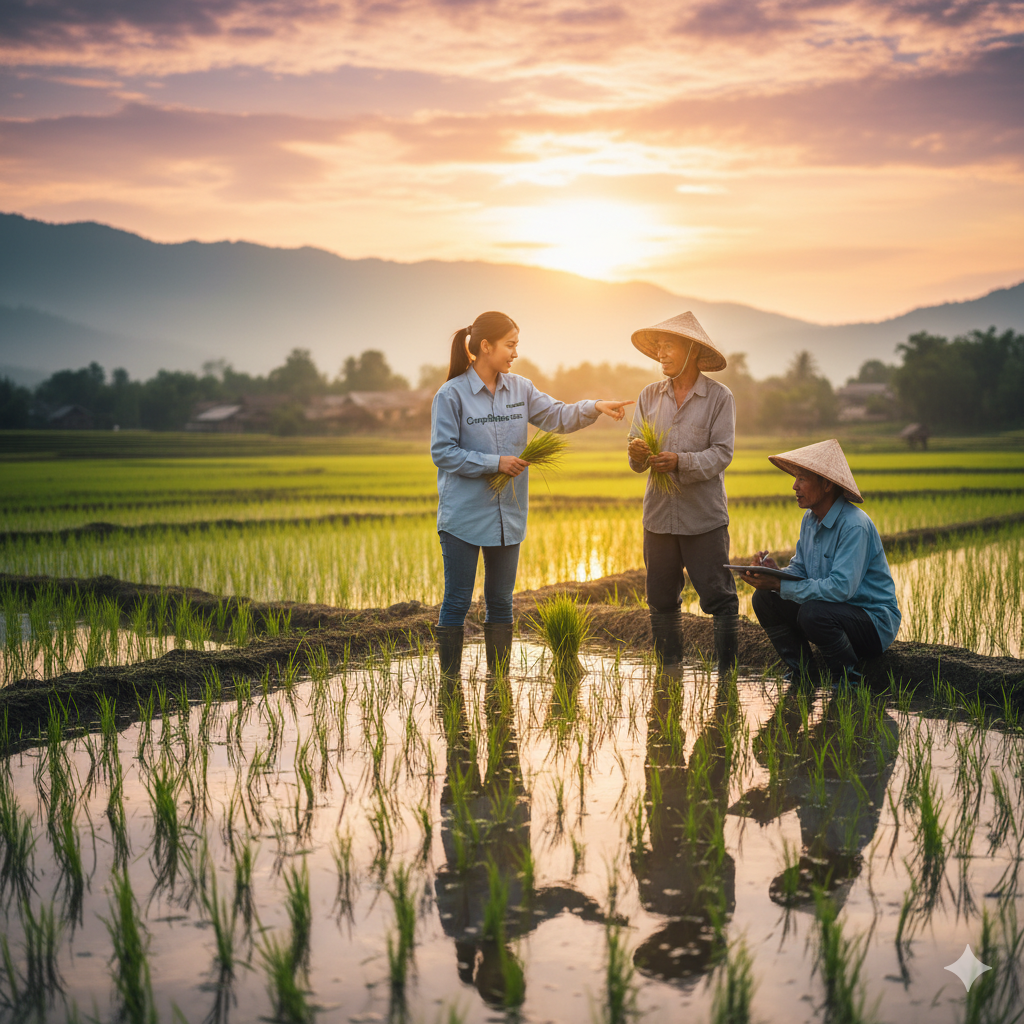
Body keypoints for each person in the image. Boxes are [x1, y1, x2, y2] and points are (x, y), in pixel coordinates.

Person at [431, 310, 632, 675]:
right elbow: (443, 452)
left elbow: (557, 415)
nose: (515, 353)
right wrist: (496, 463)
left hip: (507, 513)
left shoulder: (519, 388)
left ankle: (499, 685)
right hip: (463, 516)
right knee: (457, 601)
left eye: (516, 345)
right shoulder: (452, 395)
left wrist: (595, 407)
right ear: (486, 346)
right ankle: (450, 685)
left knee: (501, 602)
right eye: (510, 345)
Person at [626, 311, 739, 676]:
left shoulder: (719, 398)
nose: (661, 352)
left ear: (692, 350)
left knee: (719, 599)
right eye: (658, 346)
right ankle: (668, 676)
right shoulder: (649, 396)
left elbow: (722, 453)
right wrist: (637, 454)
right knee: (661, 601)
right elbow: (635, 456)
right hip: (659, 518)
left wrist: (680, 462)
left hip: (702, 518)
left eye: (669, 345)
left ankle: (728, 678)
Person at [742, 438, 901, 685]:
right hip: (833, 615)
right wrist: (776, 573)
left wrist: (780, 584)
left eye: (802, 479)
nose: (794, 486)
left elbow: (840, 589)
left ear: (826, 484)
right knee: (764, 598)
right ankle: (802, 673)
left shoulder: (854, 526)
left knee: (813, 612)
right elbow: (802, 569)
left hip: (872, 622)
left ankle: (847, 679)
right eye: (795, 479)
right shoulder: (810, 519)